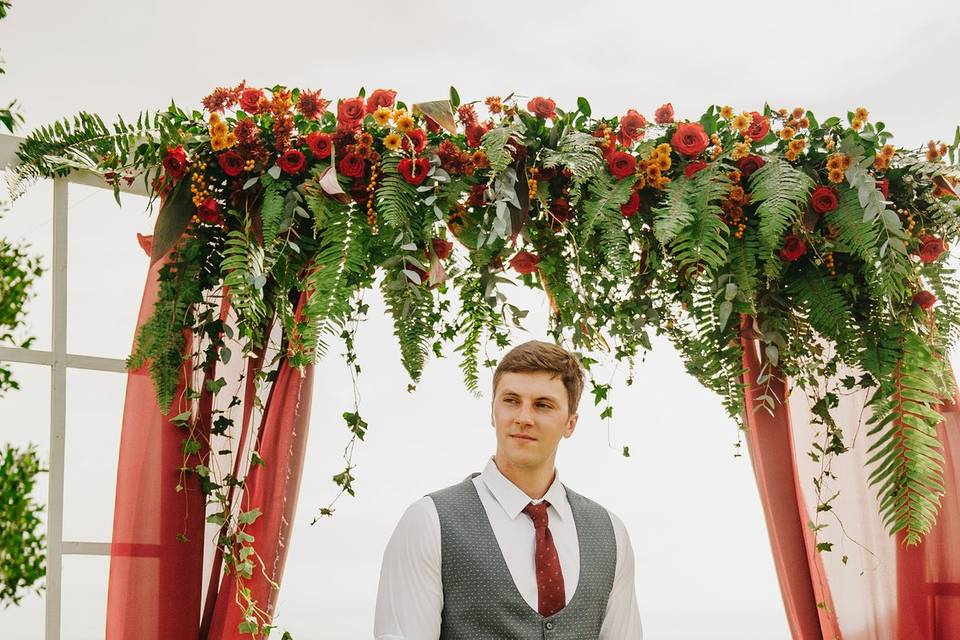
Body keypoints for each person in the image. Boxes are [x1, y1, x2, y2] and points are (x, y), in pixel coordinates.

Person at [374, 339, 643, 639]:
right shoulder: (429, 522)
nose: (523, 418)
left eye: (543, 405)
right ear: (492, 412)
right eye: (511, 400)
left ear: (570, 424)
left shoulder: (610, 534)